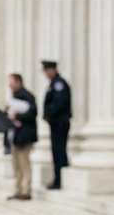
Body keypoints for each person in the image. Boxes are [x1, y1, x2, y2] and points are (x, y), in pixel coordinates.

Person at [41, 60, 72, 190]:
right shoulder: (53, 84)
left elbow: (59, 103)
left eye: (47, 70)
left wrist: (49, 114)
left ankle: (60, 180)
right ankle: (57, 178)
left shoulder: (59, 84)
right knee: (56, 152)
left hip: (60, 122)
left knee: (59, 151)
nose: (46, 73)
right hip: (55, 123)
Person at [6, 73, 38, 200]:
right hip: (15, 135)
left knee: (24, 163)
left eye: (12, 82)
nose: (10, 85)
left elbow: (32, 113)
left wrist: (17, 117)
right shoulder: (13, 97)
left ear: (19, 82)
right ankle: (18, 188)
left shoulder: (28, 97)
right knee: (16, 164)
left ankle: (26, 190)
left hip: (25, 135)